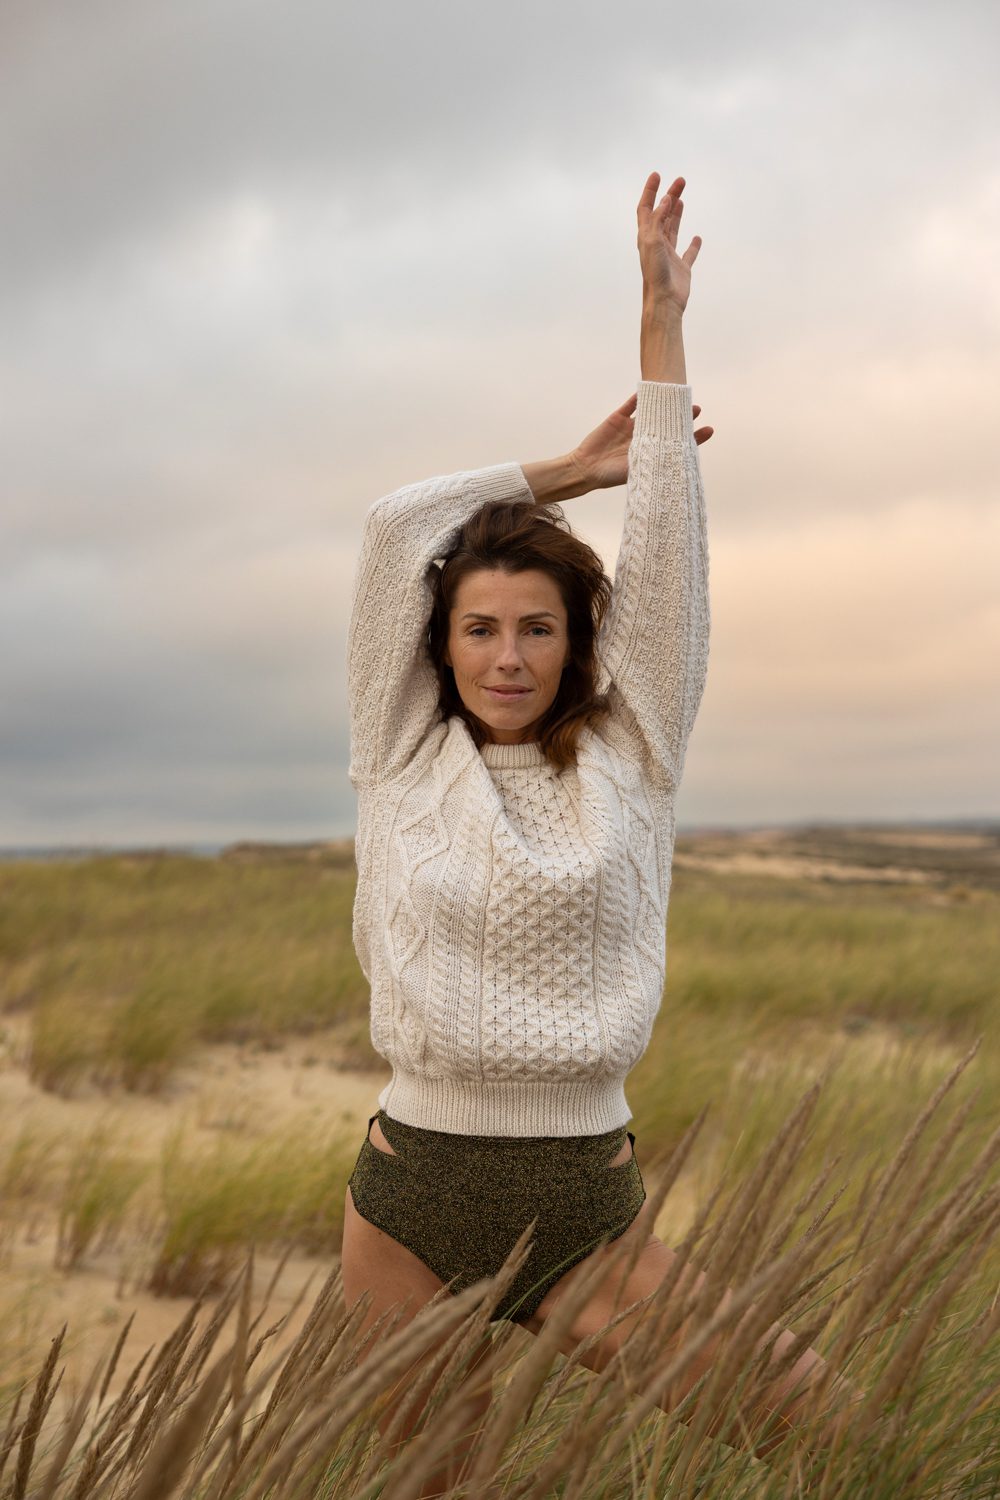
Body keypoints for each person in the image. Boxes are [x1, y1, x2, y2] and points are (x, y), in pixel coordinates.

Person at [340, 173, 833, 1487]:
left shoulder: (635, 750)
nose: (507, 656)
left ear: (578, 642)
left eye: (537, 627)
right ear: (444, 646)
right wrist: (567, 469)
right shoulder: (400, 754)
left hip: (581, 1208)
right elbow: (394, 531)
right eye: (479, 629)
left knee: (839, 1432)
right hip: (408, 1197)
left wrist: (660, 332)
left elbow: (668, 563)